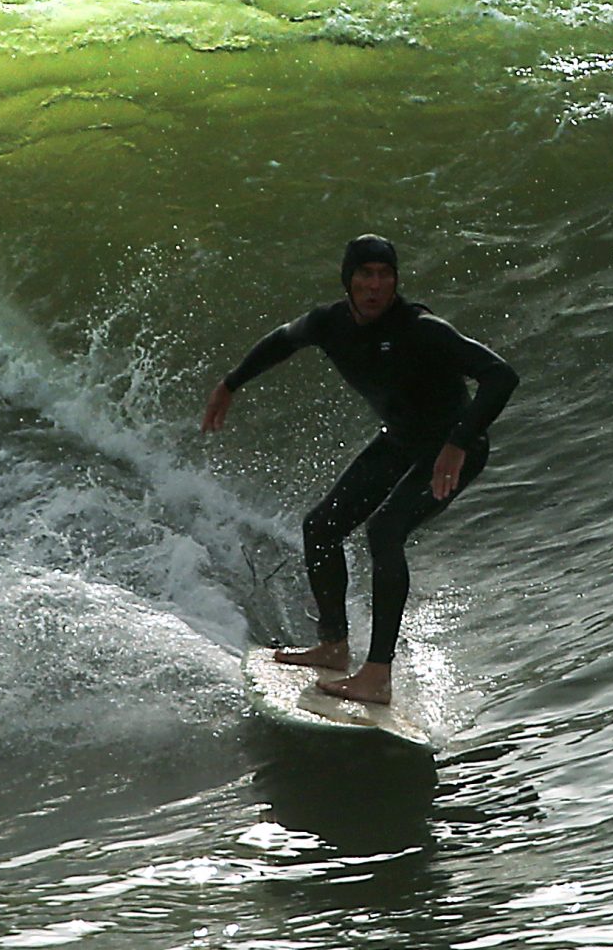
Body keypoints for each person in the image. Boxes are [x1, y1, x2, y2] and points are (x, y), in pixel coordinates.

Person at [201, 235, 518, 705]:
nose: (375, 285)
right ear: (348, 281)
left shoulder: (422, 328)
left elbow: (500, 375)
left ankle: (377, 675)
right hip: (402, 440)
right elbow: (282, 342)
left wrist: (457, 443)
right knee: (321, 526)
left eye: (384, 275)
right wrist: (230, 384)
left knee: (384, 532)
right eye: (365, 275)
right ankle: (333, 647)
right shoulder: (329, 323)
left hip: (455, 448)